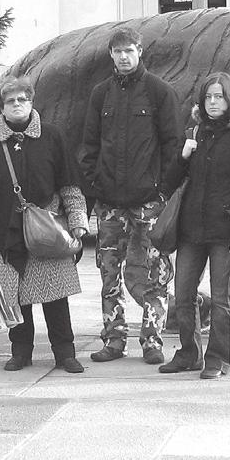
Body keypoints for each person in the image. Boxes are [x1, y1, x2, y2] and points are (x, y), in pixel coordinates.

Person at [0, 75, 88, 373]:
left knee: (55, 297)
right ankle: (21, 352)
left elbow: (69, 184)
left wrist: (77, 222)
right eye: (11, 101)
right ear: (2, 108)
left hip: (46, 231)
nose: (17, 105)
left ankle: (65, 353)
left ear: (32, 102)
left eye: (23, 99)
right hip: (3, 233)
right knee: (16, 298)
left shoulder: (52, 136)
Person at [79, 26, 181, 365]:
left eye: (130, 51)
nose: (124, 57)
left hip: (148, 202)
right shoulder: (100, 95)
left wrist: (162, 191)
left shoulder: (159, 93)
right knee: (110, 274)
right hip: (110, 205)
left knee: (156, 273)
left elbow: (173, 147)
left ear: (140, 52)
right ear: (111, 54)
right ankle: (114, 338)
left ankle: (152, 340)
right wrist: (93, 188)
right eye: (118, 51)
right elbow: (89, 146)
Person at [158, 72, 230, 379]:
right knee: (184, 293)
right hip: (191, 229)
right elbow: (170, 182)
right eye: (208, 97)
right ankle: (189, 353)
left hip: (225, 232)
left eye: (219, 96)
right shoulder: (195, 132)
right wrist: (183, 155)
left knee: (221, 297)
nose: (213, 102)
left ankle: (218, 357)